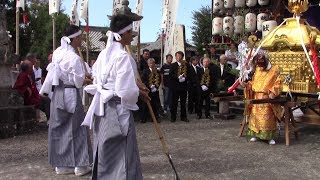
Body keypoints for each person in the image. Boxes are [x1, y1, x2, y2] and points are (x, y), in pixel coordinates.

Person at [81, 10, 146, 179]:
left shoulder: (103, 55)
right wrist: (139, 93)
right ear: (123, 34)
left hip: (101, 108)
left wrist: (136, 88)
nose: (132, 37)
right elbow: (125, 91)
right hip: (118, 108)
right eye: (130, 33)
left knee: (104, 148)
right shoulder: (123, 57)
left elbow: (98, 79)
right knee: (122, 151)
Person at [40, 25, 92, 176]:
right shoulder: (74, 58)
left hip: (58, 92)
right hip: (71, 92)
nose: (81, 40)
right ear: (74, 38)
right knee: (77, 128)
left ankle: (62, 165)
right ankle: (81, 165)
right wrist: (86, 80)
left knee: (59, 128)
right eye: (80, 37)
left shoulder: (57, 53)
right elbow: (77, 82)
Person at [241, 53, 282, 145]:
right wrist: (246, 85)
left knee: (267, 118)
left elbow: (278, 83)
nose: (260, 67)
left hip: (266, 97)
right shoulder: (258, 69)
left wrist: (273, 92)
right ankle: (255, 135)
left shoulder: (275, 69)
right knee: (255, 117)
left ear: (266, 61)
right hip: (256, 97)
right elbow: (253, 83)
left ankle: (269, 137)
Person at [169, 51, 189, 122]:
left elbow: (189, 74)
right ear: (175, 57)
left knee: (183, 103)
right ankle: (173, 117)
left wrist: (184, 78)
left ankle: (183, 116)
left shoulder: (186, 65)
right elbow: (170, 75)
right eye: (177, 56)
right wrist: (178, 78)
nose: (178, 57)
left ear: (182, 57)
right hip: (175, 87)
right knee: (174, 102)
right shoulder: (173, 65)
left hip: (183, 87)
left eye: (180, 56)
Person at [141, 58, 162, 123]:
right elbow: (143, 80)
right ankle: (143, 118)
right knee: (145, 104)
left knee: (155, 104)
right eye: (150, 63)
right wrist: (149, 86)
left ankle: (155, 118)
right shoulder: (145, 71)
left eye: (152, 63)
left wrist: (156, 86)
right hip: (147, 90)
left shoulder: (157, 71)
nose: (151, 64)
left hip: (155, 90)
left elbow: (159, 79)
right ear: (148, 64)